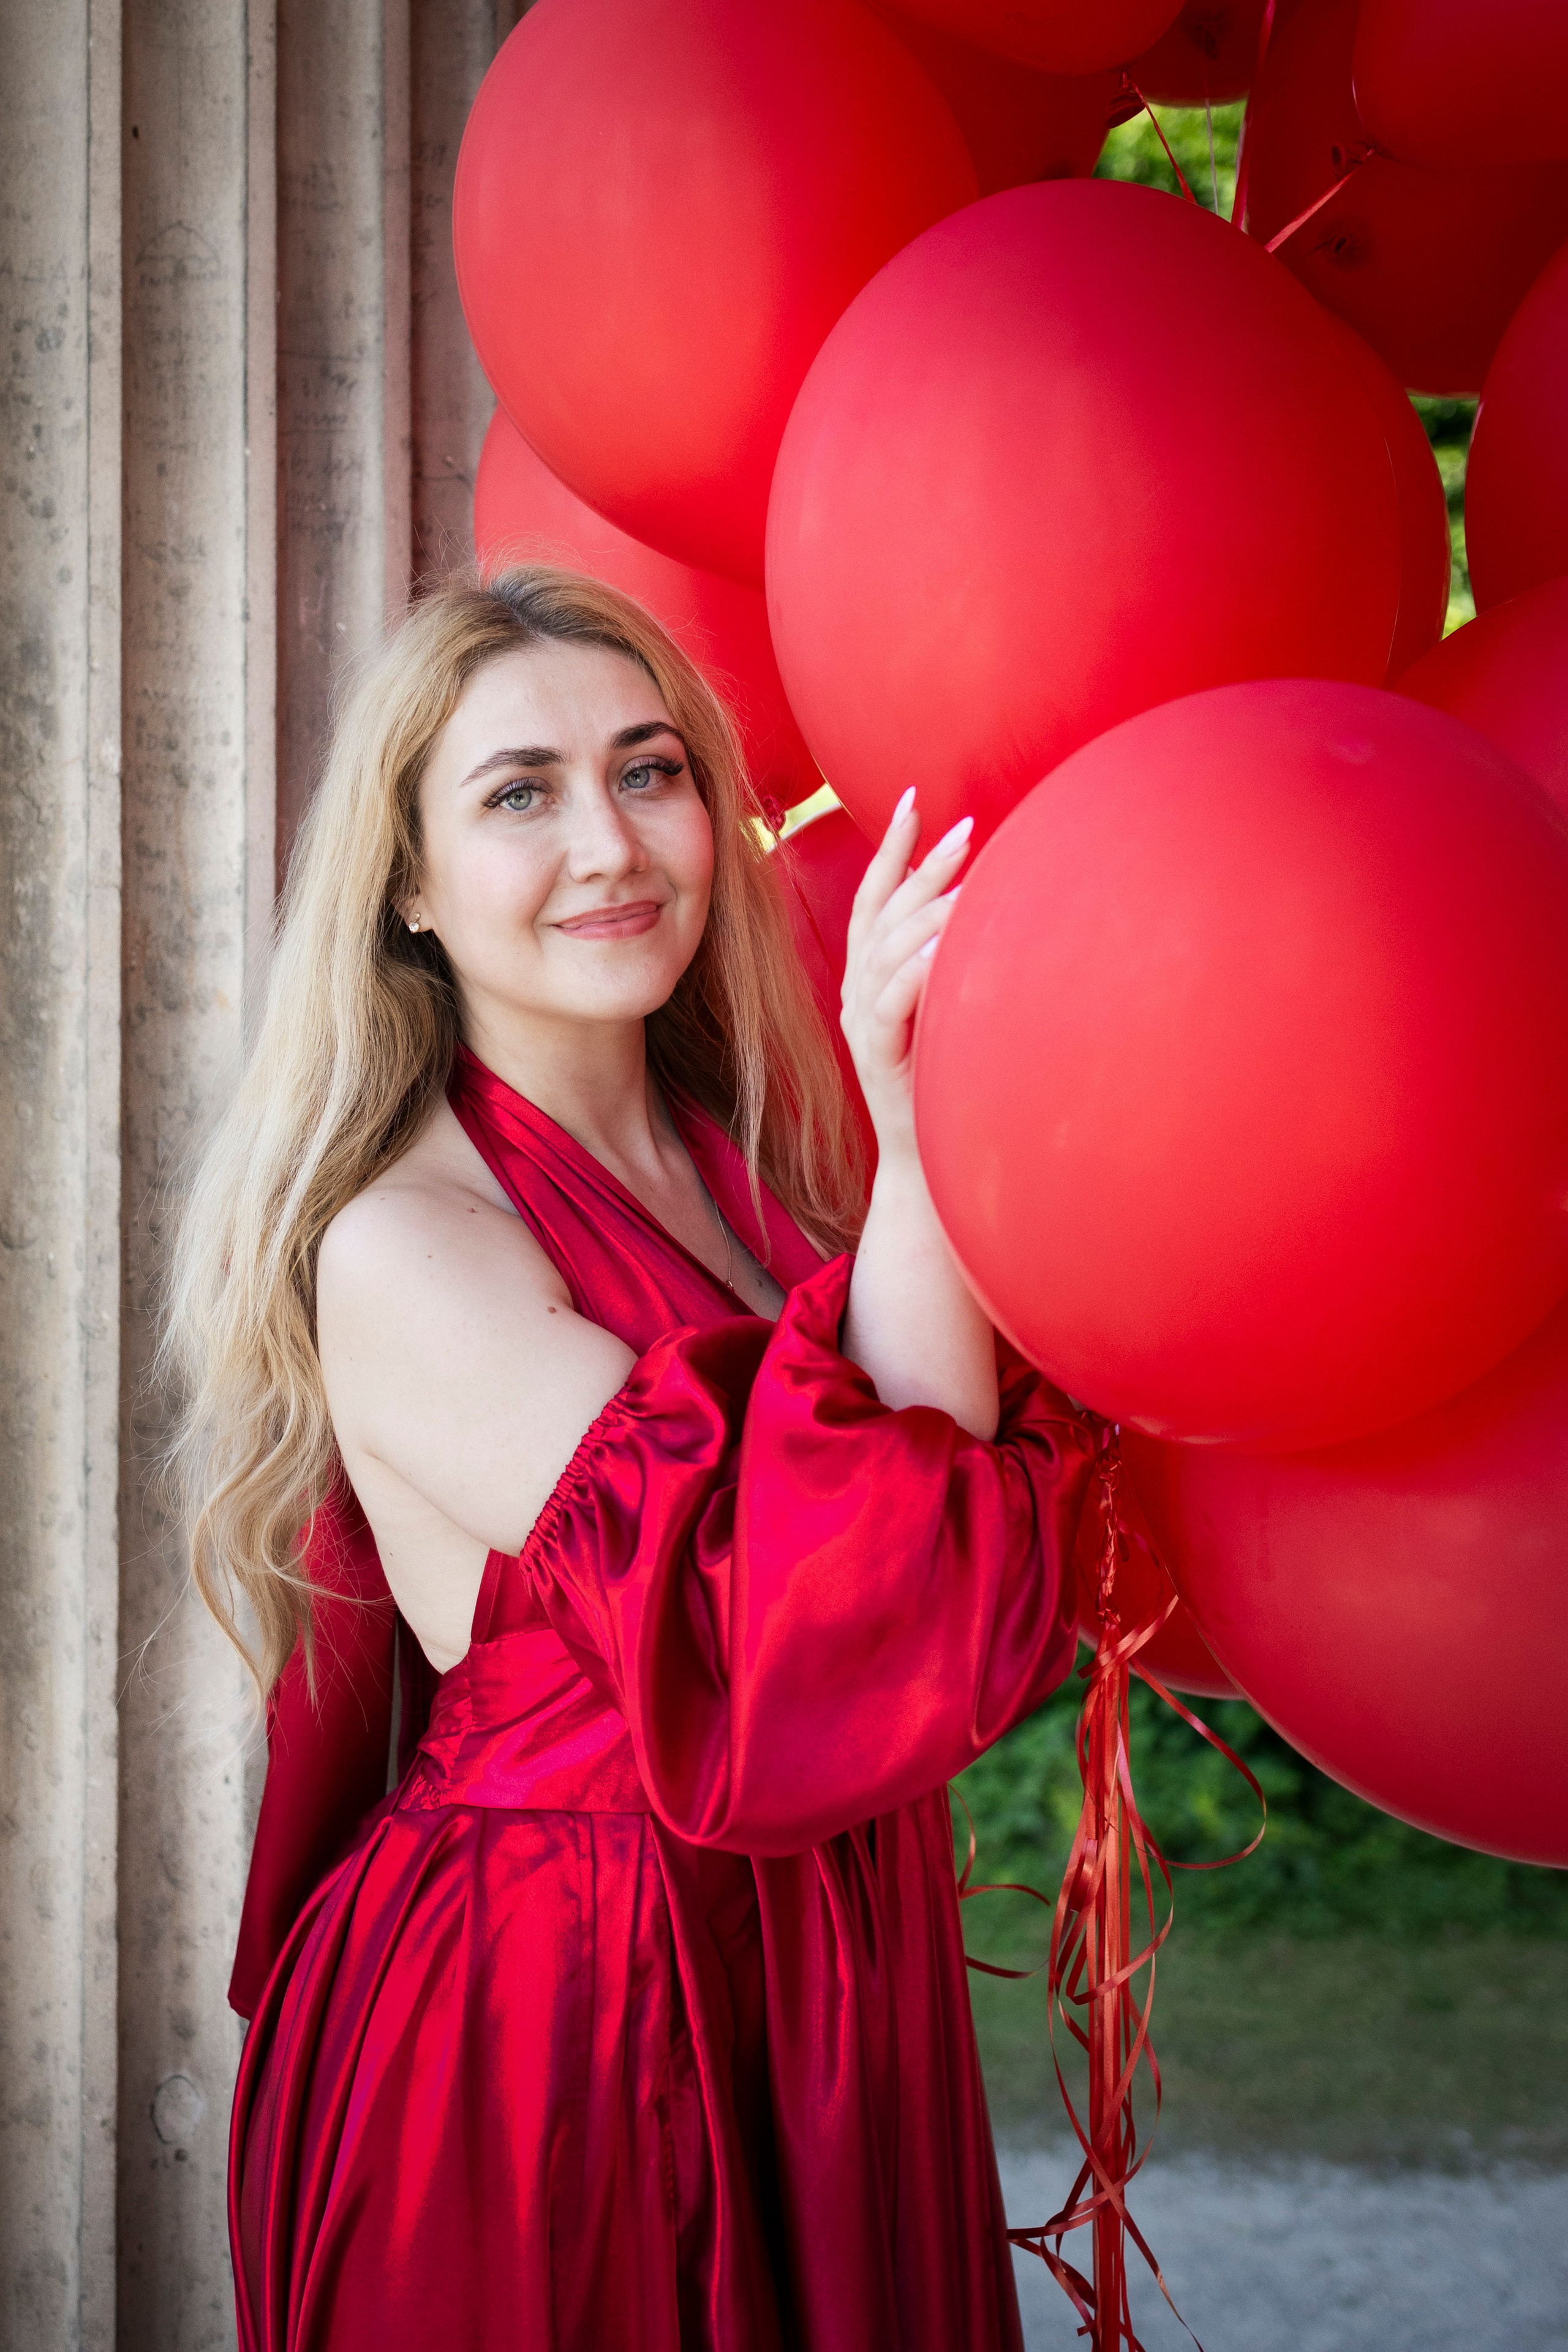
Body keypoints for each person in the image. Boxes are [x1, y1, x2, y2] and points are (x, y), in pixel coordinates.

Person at [165, 567, 1095, 2352]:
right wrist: (914, 1137)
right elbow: (793, 1632)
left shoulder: (751, 1167)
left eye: (650, 769)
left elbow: (911, 1480)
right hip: (571, 2014)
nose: (611, 840)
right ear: (412, 889)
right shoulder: (408, 1244)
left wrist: (925, 1120)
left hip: (816, 1960)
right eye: (521, 793)